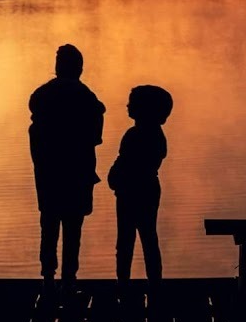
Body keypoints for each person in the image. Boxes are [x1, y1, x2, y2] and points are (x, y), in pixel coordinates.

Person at [29, 44, 105, 293]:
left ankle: (48, 278)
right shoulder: (87, 98)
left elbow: (36, 134)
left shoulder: (42, 96)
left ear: (57, 67)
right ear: (80, 69)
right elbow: (95, 137)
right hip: (77, 174)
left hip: (49, 174)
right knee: (73, 229)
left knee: (49, 226)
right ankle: (69, 280)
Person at [107, 84, 173, 284]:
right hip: (148, 188)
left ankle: (123, 283)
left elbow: (124, 162)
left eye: (132, 102)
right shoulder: (156, 135)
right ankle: (155, 282)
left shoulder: (135, 135)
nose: (127, 105)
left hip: (130, 191)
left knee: (126, 240)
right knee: (148, 237)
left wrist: (115, 178)